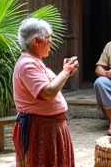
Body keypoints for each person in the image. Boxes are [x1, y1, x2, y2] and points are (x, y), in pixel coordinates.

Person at [12, 17, 79, 167]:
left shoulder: (35, 62)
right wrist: (66, 71)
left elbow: (53, 86)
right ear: (36, 41)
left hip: (49, 126)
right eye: (48, 38)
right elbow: (48, 92)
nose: (51, 42)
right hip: (39, 128)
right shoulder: (27, 64)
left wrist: (68, 72)